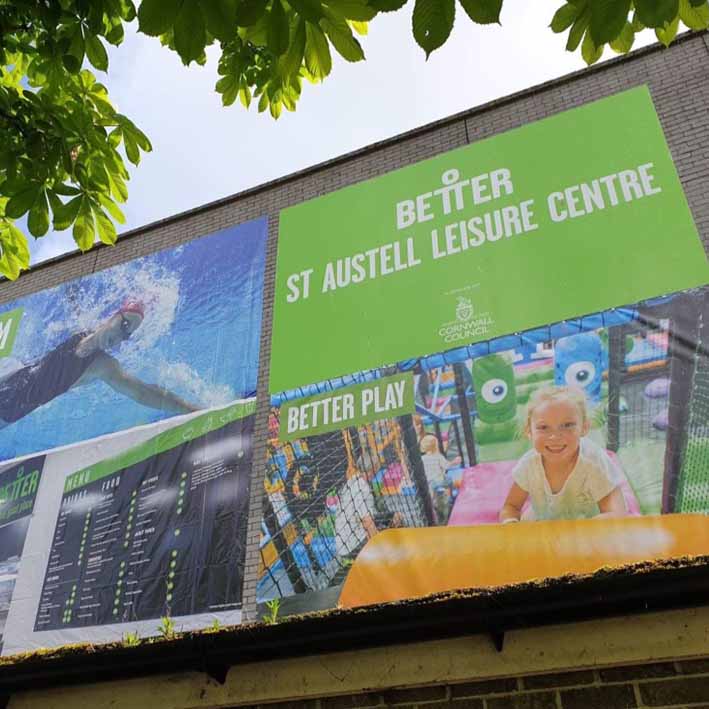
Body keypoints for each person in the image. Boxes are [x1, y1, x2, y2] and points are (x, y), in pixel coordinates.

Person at [0, 300, 199, 428]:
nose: (121, 336)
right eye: (124, 325)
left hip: (9, 411)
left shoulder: (102, 365)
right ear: (113, 316)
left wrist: (192, 411)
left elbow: (142, 392)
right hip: (10, 376)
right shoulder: (82, 330)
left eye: (127, 335)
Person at [499, 385, 626, 523]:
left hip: (585, 532)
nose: (555, 436)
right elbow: (511, 507)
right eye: (543, 427)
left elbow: (616, 513)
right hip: (543, 527)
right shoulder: (529, 465)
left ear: (584, 427)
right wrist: (510, 523)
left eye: (567, 425)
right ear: (529, 431)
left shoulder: (593, 462)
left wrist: (580, 535)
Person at [419, 433, 452, 525]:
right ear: (436, 446)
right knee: (449, 480)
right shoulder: (438, 456)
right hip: (439, 482)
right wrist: (454, 461)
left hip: (428, 482)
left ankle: (433, 503)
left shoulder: (422, 458)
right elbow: (447, 466)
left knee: (433, 494)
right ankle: (450, 495)